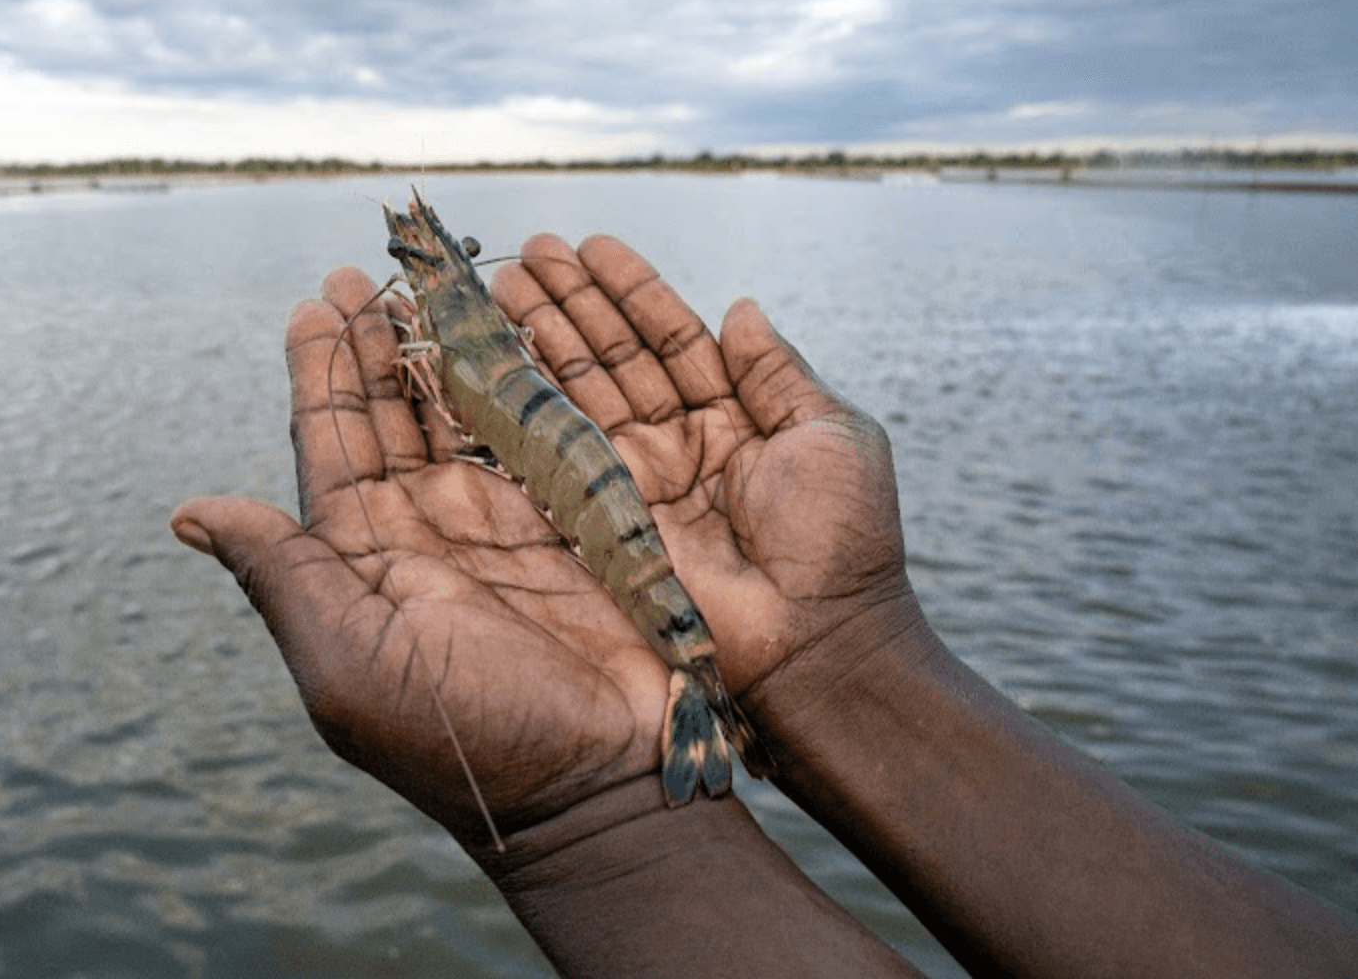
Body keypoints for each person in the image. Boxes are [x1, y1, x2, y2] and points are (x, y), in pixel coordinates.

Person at [170, 232, 1358, 978]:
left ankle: (700, 700)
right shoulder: (486, 334)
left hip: (567, 476)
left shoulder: (450, 342)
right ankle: (714, 696)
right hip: (569, 463)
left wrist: (585, 828)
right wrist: (849, 659)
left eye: (428, 265)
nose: (418, 264)